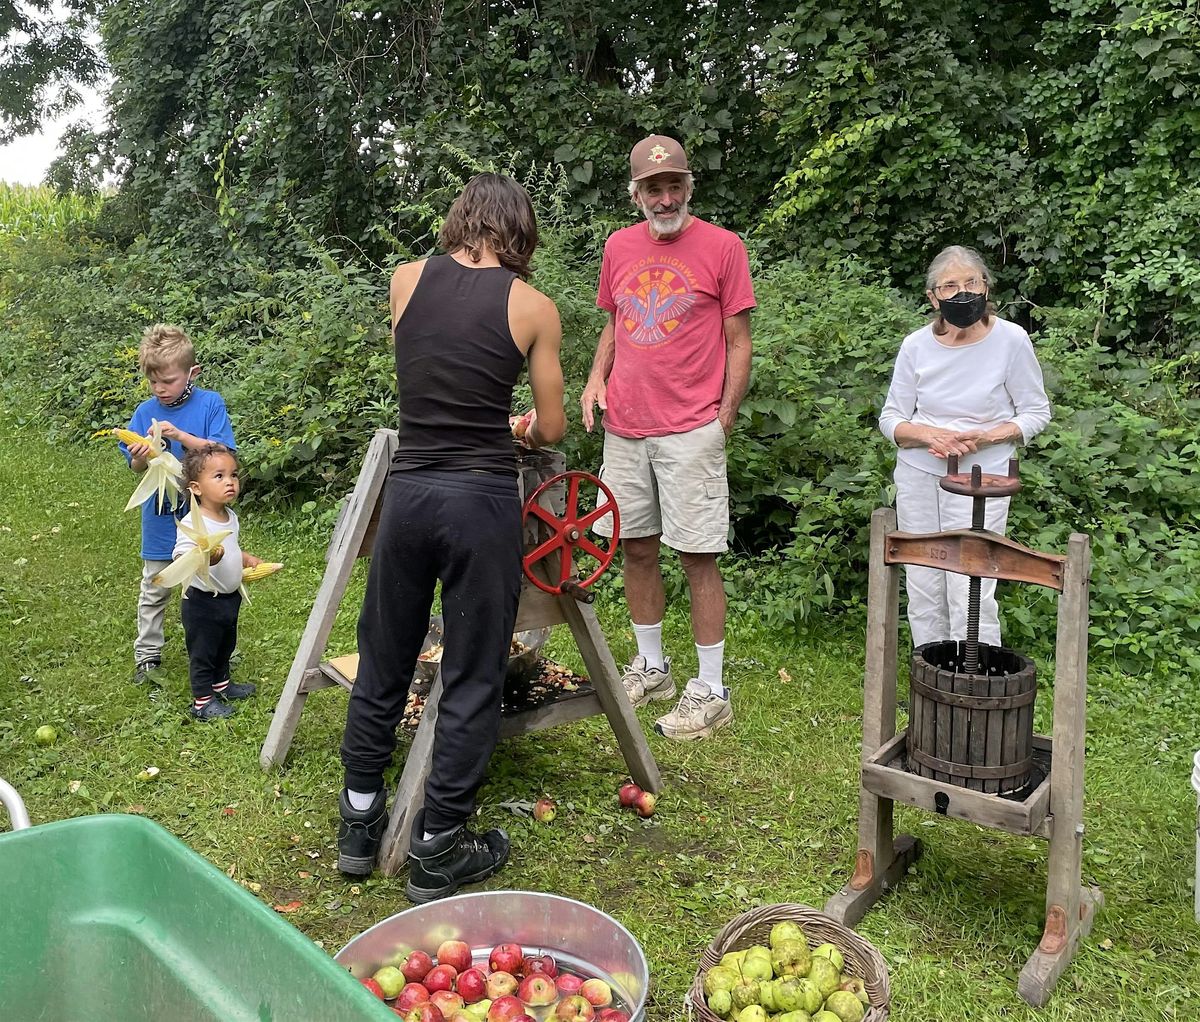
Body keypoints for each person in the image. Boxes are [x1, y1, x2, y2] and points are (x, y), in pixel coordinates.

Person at [336, 173, 566, 900]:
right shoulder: (533, 307)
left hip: (410, 495)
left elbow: (430, 375)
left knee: (384, 656)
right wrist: (519, 424)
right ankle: (438, 849)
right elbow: (554, 427)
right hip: (480, 503)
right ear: (520, 231)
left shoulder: (405, 280)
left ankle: (358, 823)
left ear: (460, 219)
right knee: (470, 671)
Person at [580, 134, 755, 741]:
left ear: (688, 187)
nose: (665, 196)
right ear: (636, 195)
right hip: (625, 428)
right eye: (653, 188)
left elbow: (738, 341)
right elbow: (616, 323)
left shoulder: (723, 248)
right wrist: (593, 380)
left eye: (674, 184)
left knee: (698, 556)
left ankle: (712, 688)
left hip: (691, 429)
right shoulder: (618, 247)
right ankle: (652, 667)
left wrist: (723, 416)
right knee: (635, 549)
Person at [878, 245, 1052, 648]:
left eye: (971, 282)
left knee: (971, 582)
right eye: (950, 285)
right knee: (923, 579)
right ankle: (931, 679)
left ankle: (979, 685)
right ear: (933, 297)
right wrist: (929, 435)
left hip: (982, 478)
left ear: (986, 288)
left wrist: (986, 436)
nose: (962, 293)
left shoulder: (1012, 340)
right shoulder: (916, 345)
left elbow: (1035, 412)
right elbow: (891, 419)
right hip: (921, 474)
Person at [119, 324, 236, 686]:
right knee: (154, 586)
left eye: (167, 381)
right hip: (159, 518)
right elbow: (135, 465)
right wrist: (141, 456)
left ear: (192, 373)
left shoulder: (210, 404)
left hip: (203, 520)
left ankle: (209, 654)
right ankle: (147, 655)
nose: (159, 389)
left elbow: (222, 454)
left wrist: (180, 436)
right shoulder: (144, 412)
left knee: (205, 589)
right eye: (153, 382)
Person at [169, 444, 263, 719]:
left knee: (225, 644)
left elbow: (231, 546)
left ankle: (222, 684)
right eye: (219, 476)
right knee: (203, 651)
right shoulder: (195, 523)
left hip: (229, 598)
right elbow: (181, 556)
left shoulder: (229, 517)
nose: (230, 482)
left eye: (233, 475)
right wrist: (206, 558)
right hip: (202, 602)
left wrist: (243, 557)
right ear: (196, 488)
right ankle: (202, 702)